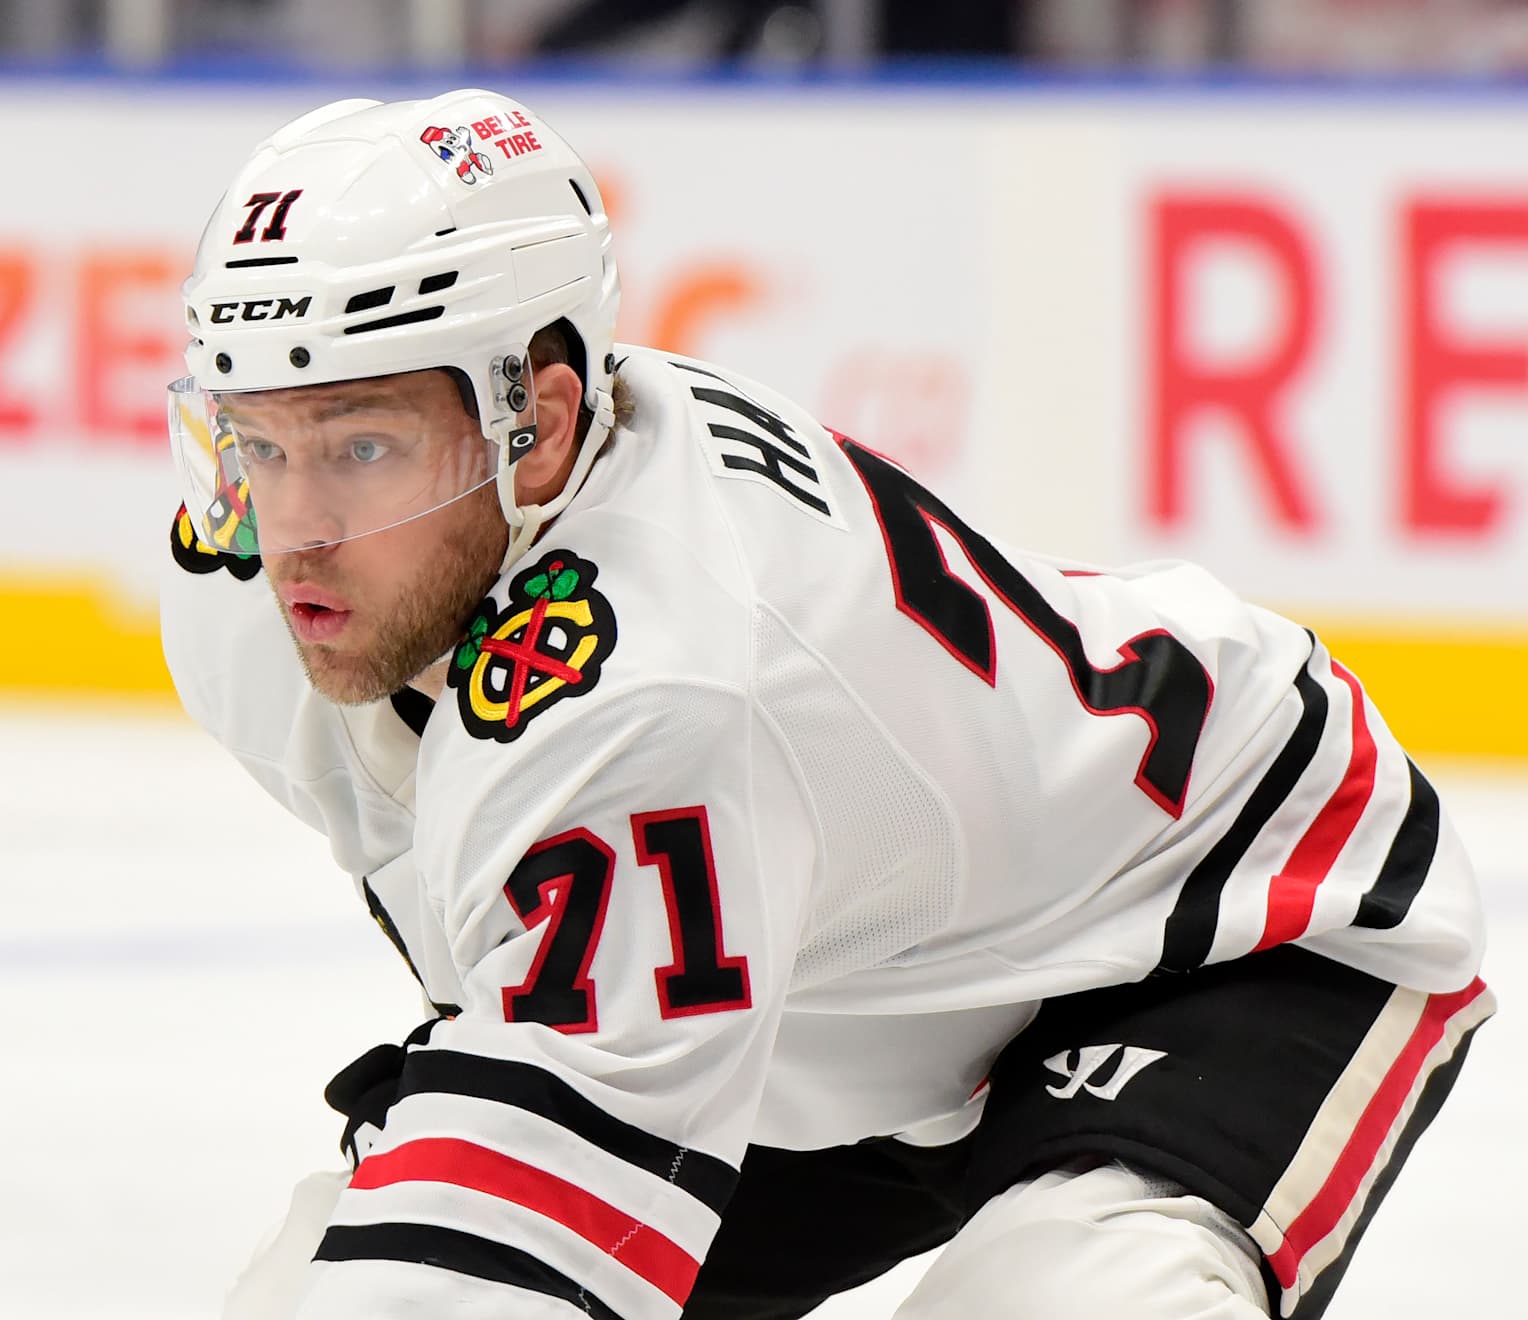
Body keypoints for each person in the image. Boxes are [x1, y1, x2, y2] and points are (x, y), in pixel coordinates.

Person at [160, 89, 1492, 1320]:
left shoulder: (654, 690)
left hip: (1211, 915)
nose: (294, 532)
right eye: (259, 442)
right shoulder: (245, 607)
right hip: (844, 994)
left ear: (542, 426)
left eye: (365, 445)